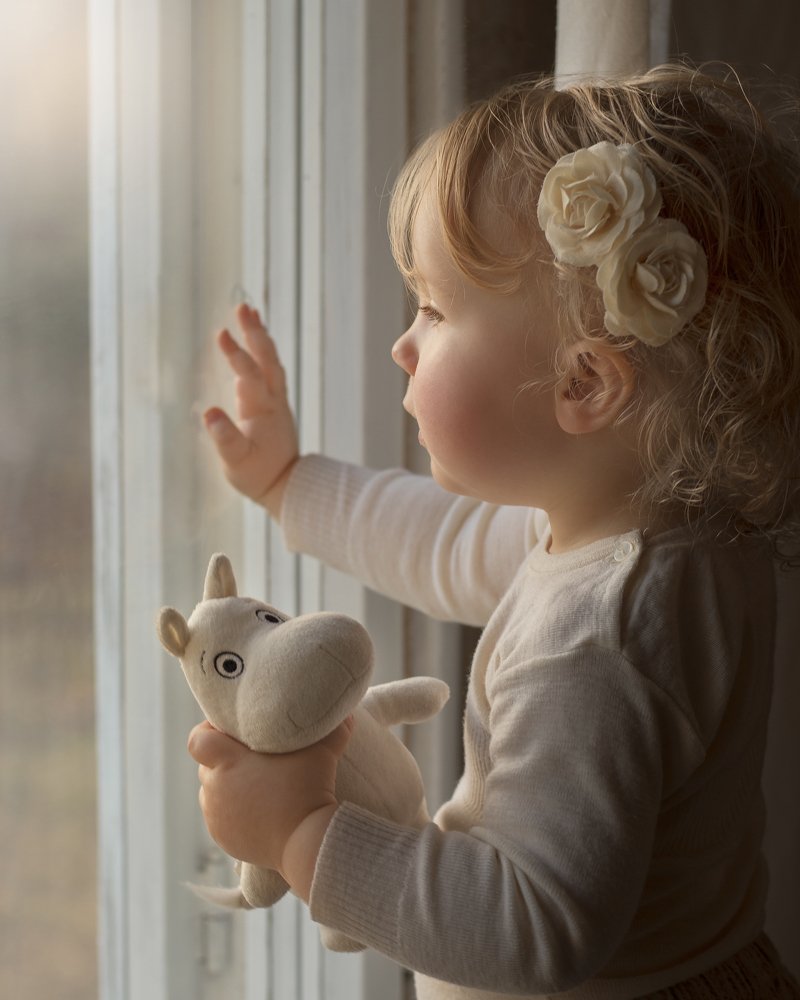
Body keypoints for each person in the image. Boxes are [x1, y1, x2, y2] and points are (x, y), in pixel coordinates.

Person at [188, 64, 800, 999]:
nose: (404, 343)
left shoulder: (593, 644)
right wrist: (287, 482)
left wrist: (299, 835)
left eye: (432, 310)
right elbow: (447, 544)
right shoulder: (662, 536)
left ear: (583, 384)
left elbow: (531, 927)